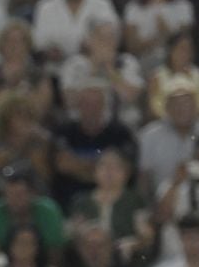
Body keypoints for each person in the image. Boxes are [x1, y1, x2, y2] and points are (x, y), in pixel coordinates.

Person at [50, 76, 136, 208]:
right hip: (68, 203)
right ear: (78, 105)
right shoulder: (64, 132)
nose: (91, 108)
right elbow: (63, 165)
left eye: (96, 103)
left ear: (104, 106)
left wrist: (78, 166)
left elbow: (125, 173)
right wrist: (102, 169)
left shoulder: (120, 134)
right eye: (86, 103)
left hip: (113, 205)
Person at [137, 79, 199, 197]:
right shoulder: (149, 134)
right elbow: (143, 177)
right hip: (164, 202)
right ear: (166, 107)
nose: (181, 108)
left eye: (187, 102)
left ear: (197, 105)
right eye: (175, 103)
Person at [0, 165, 68, 264]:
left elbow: (55, 251)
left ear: (32, 193)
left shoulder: (47, 211)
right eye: (8, 194)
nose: (13, 200)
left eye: (19, 195)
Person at [31, 0, 118, 61]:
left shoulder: (102, 3)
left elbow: (112, 34)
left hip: (92, 63)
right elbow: (38, 41)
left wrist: (92, 45)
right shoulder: (45, 6)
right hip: (55, 66)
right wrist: (48, 51)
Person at [122, 0, 197, 66]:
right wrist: (157, 39)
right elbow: (132, 47)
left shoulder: (183, 6)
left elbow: (185, 42)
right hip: (145, 61)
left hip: (177, 61)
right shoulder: (133, 8)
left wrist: (166, 33)